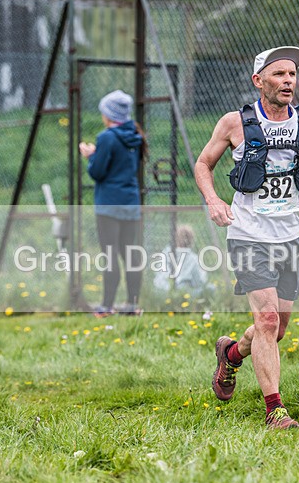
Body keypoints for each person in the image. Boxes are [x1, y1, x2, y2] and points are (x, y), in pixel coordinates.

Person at [194, 46, 299, 429]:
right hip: (248, 234)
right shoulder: (234, 123)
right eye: (279, 75)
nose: (287, 81)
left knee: (276, 328)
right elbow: (203, 164)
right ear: (259, 81)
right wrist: (213, 200)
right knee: (268, 320)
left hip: (293, 234)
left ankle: (231, 354)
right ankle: (275, 410)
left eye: (291, 74)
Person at [79, 90, 145, 317]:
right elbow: (123, 163)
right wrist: (100, 153)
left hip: (109, 204)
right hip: (130, 202)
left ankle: (106, 306)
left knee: (109, 254)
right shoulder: (134, 135)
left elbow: (98, 172)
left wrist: (90, 157)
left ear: (109, 114)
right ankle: (132, 304)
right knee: (130, 254)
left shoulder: (107, 137)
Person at [153, 225, 212, 297]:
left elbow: (158, 272)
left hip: (161, 290)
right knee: (211, 288)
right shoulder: (193, 258)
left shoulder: (165, 252)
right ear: (191, 239)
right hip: (182, 292)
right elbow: (199, 281)